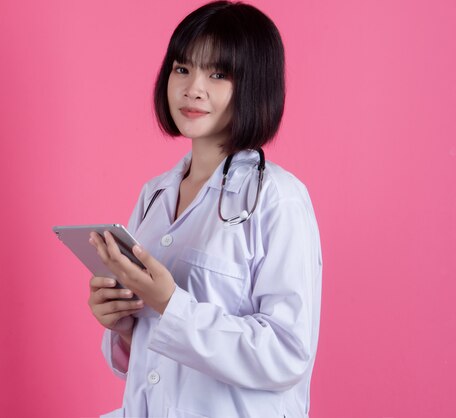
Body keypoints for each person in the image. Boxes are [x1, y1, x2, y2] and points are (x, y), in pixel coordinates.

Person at [87, 1, 322, 417]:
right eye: (182, 68)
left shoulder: (278, 199)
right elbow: (150, 362)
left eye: (217, 74)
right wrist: (124, 323)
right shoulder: (156, 194)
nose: (192, 88)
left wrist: (169, 304)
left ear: (254, 85)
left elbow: (287, 353)